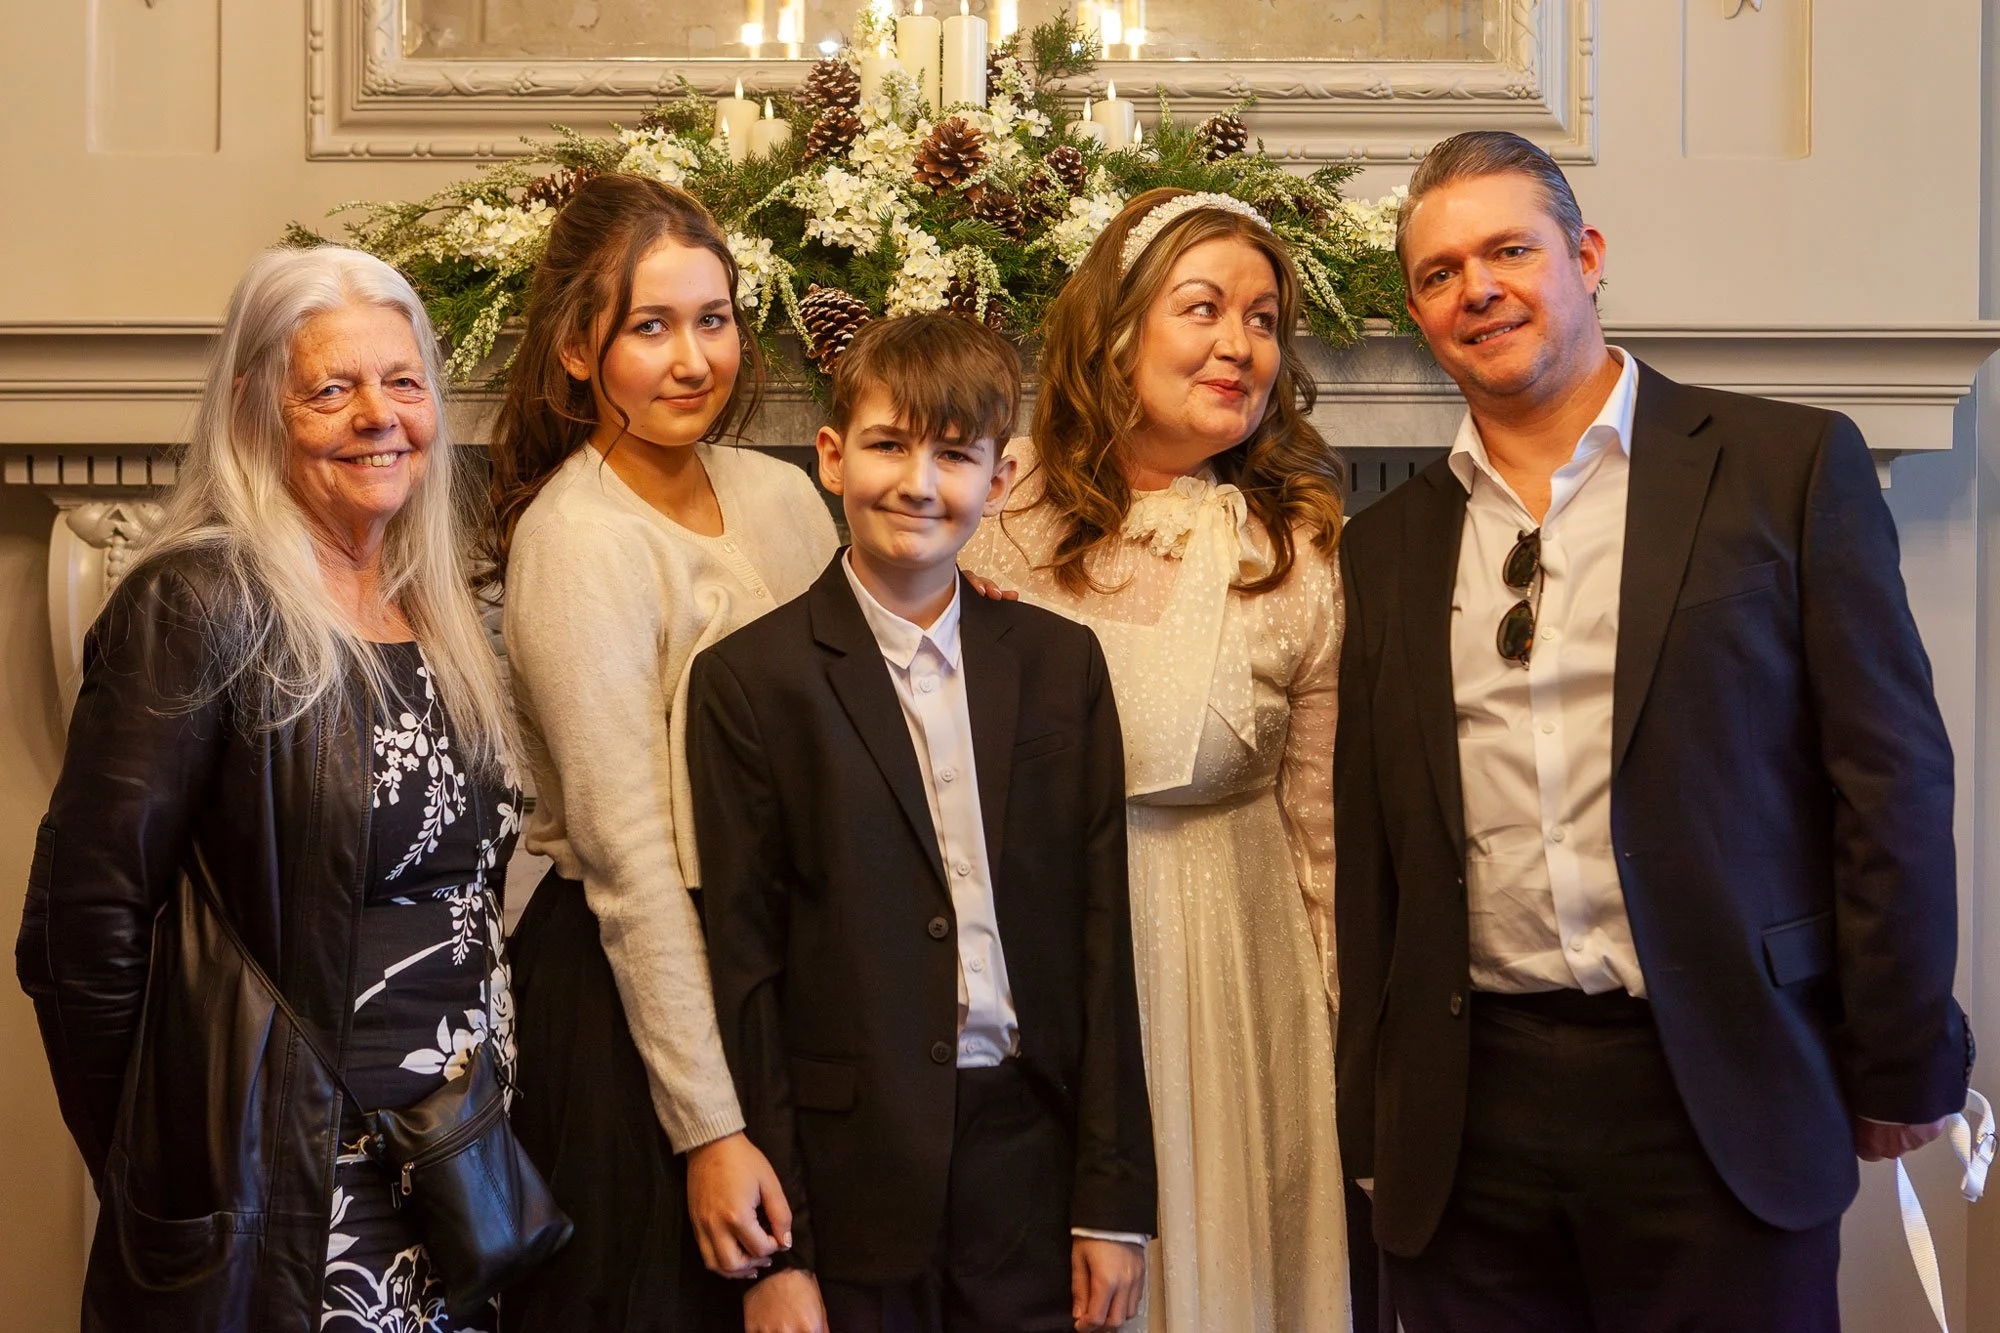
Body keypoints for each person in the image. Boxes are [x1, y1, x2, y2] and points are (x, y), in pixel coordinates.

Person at [1334, 130, 1975, 1332]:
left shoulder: (1782, 465)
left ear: (1584, 255)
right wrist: (1366, 1115)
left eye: (1508, 250)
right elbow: (1372, 848)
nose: (1476, 289)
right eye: (1436, 272)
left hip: (1719, 1085)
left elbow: (1886, 782)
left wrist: (1898, 1053)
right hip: (1465, 1116)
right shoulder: (1384, 545)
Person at [15, 246, 524, 1331]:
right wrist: (166, 1164)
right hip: (292, 1198)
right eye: (330, 389)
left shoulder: (439, 615)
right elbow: (77, 926)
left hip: (446, 1177)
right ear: (253, 406)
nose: (376, 417)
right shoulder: (200, 605)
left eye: (401, 382)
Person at [688, 312, 1156, 1333]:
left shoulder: (1058, 666)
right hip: (849, 1177)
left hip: (1025, 1161)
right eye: (888, 444)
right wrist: (781, 1255)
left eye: (953, 455)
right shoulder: (748, 682)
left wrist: (1113, 1201)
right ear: (830, 456)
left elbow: (1100, 940)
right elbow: (745, 969)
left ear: (999, 479)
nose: (917, 482)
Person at [959, 189, 1353, 1332]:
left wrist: (1346, 1052)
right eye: (1203, 308)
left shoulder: (1297, 553)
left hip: (1233, 979)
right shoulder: (989, 504)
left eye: (1265, 318)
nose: (1240, 344)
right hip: (1034, 977)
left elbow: (1321, 829)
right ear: (1116, 325)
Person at [490, 173, 838, 1331]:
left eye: (714, 318)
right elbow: (630, 859)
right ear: (580, 350)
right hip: (631, 999)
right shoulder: (576, 539)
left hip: (771, 966)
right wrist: (710, 1128)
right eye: (651, 326)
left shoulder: (783, 495)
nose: (694, 358)